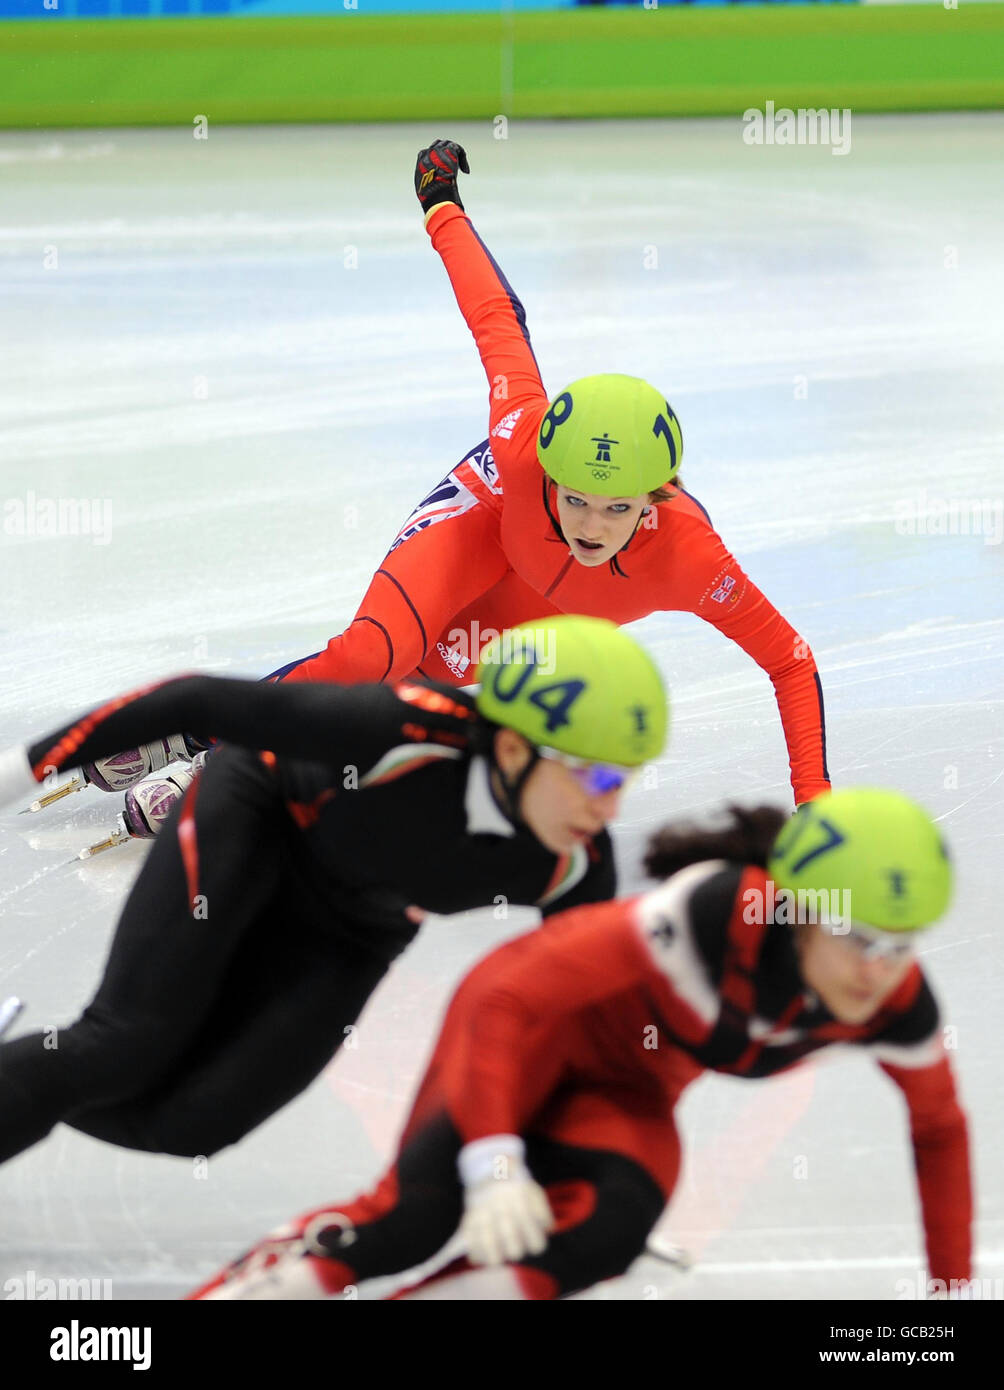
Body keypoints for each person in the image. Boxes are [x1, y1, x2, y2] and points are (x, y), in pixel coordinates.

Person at [67, 138, 828, 841]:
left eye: (617, 509)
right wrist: (440, 203)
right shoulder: (522, 432)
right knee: (368, 654)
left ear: (654, 502)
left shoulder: (693, 557)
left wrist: (815, 808)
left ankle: (221, 754)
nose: (592, 526)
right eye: (575, 498)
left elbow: (789, 661)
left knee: (410, 686)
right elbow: (496, 316)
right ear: (549, 471)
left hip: (535, 601)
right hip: (484, 520)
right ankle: (196, 728)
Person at [188, 788, 971, 1302]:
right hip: (522, 1029)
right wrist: (493, 1161)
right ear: (797, 908)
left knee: (609, 1227)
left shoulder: (897, 1006)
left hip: (625, 1090)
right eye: (858, 936)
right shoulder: (708, 916)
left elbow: (940, 1132)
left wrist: (951, 1299)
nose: (879, 969)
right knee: (413, 1222)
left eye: (902, 945)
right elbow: (510, 998)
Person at [0, 617, 666, 1165]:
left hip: (358, 922)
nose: (608, 807)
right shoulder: (401, 728)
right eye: (597, 778)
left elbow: (572, 1020)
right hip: (259, 817)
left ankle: (19, 1081)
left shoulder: (576, 865)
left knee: (192, 1125)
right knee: (123, 1047)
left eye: (626, 782)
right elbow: (194, 700)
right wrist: (20, 769)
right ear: (517, 751)